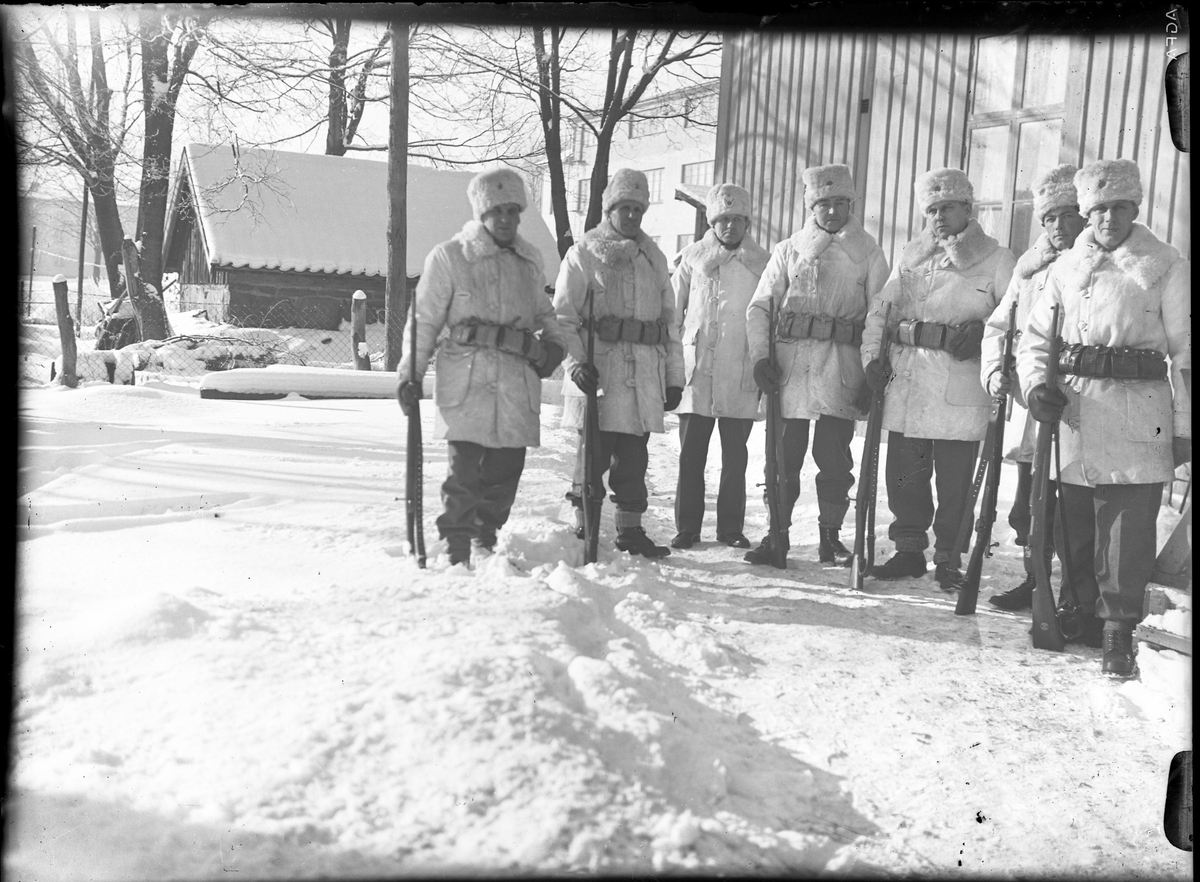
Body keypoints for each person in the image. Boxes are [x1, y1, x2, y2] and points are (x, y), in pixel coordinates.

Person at [1017, 158, 1190, 676]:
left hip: (1141, 410)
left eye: (1119, 208)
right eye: (1098, 210)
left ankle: (1117, 627)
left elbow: (1186, 354)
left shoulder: (1164, 265)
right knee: (1074, 520)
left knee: (1127, 525)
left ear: (1135, 209)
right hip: (1074, 410)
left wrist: (1184, 428)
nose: (1108, 219)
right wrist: (1033, 389)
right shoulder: (1065, 267)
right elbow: (1033, 340)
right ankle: (1078, 610)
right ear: (1085, 213)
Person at [397, 168, 568, 567]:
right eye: (497, 211)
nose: (506, 219)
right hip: (466, 381)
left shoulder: (529, 260)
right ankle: (456, 549)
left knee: (505, 473)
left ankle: (484, 539)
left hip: (515, 382)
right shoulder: (450, 256)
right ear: (481, 214)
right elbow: (423, 321)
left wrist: (556, 346)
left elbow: (546, 312)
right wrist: (411, 374)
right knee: (464, 475)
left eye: (513, 210)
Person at [860, 168, 1017, 590]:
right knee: (905, 474)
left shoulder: (998, 259)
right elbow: (881, 311)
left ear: (968, 207)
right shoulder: (912, 257)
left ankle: (949, 555)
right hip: (909, 381)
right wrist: (871, 357)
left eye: (947, 207)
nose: (939, 217)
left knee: (954, 481)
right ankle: (909, 550)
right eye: (931, 210)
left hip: (958, 384)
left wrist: (983, 334)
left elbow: (1013, 321)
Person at [744, 164, 890, 565]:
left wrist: (873, 367)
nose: (831, 211)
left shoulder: (869, 253)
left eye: (839, 203)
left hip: (841, 368)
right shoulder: (788, 249)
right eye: (823, 204)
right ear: (811, 206)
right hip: (790, 369)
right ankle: (777, 535)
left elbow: (880, 315)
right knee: (782, 458)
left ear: (851, 204)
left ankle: (831, 538)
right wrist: (761, 357)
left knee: (835, 459)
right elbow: (760, 307)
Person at [553, 168, 685, 558]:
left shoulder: (654, 259)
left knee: (633, 457)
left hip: (642, 377)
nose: (630, 216)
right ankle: (584, 522)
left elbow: (669, 325)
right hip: (599, 375)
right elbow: (562, 318)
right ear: (609, 209)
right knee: (592, 454)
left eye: (637, 209)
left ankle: (630, 529)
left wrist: (673, 379)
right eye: (623, 208)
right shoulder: (582, 254)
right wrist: (576, 365)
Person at [980, 165, 1087, 625]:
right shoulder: (1029, 270)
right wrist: (995, 372)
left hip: (1080, 404)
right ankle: (1035, 579)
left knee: (1075, 508)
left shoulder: (1093, 263)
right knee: (1031, 503)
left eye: (1069, 215)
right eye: (1050, 218)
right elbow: (998, 327)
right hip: (1032, 405)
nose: (1059, 227)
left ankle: (1075, 592)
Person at [669, 183, 771, 550]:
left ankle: (730, 528)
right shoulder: (692, 260)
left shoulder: (763, 264)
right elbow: (672, 314)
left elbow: (769, 315)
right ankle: (687, 527)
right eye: (723, 219)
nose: (730, 226)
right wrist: (672, 366)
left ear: (747, 221)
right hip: (696, 372)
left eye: (737, 219)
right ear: (713, 221)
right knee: (690, 455)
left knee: (735, 456)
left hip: (739, 370)